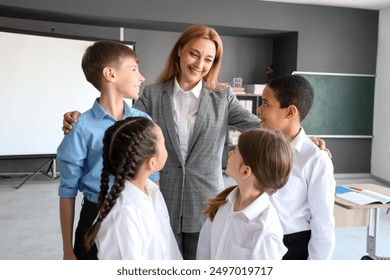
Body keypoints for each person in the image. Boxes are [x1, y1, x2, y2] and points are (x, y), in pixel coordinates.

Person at [61, 24, 328, 259]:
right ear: (179, 51)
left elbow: (262, 126)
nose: (200, 64)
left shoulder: (223, 97)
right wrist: (78, 118)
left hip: (206, 203)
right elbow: (122, 123)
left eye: (209, 59)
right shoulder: (153, 95)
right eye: (194, 54)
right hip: (161, 199)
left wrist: (300, 136)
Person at [57, 40, 158, 260]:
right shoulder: (81, 127)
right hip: (93, 217)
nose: (141, 77)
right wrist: (67, 249)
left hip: (137, 216)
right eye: (134, 69)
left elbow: (153, 181)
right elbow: (67, 190)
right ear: (110, 74)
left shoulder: (145, 121)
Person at [257, 74, 336, 260]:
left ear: (290, 112)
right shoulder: (261, 145)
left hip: (292, 247)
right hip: (260, 241)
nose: (259, 110)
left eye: (266, 103)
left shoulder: (315, 159)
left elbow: (323, 223)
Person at [84, 116, 182, 260]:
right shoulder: (123, 215)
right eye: (164, 145)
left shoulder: (153, 193)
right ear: (152, 163)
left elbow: (168, 249)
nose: (167, 148)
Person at [196, 128, 293, 260]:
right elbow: (204, 250)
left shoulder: (265, 231)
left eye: (235, 151)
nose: (230, 153)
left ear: (245, 171)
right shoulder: (224, 204)